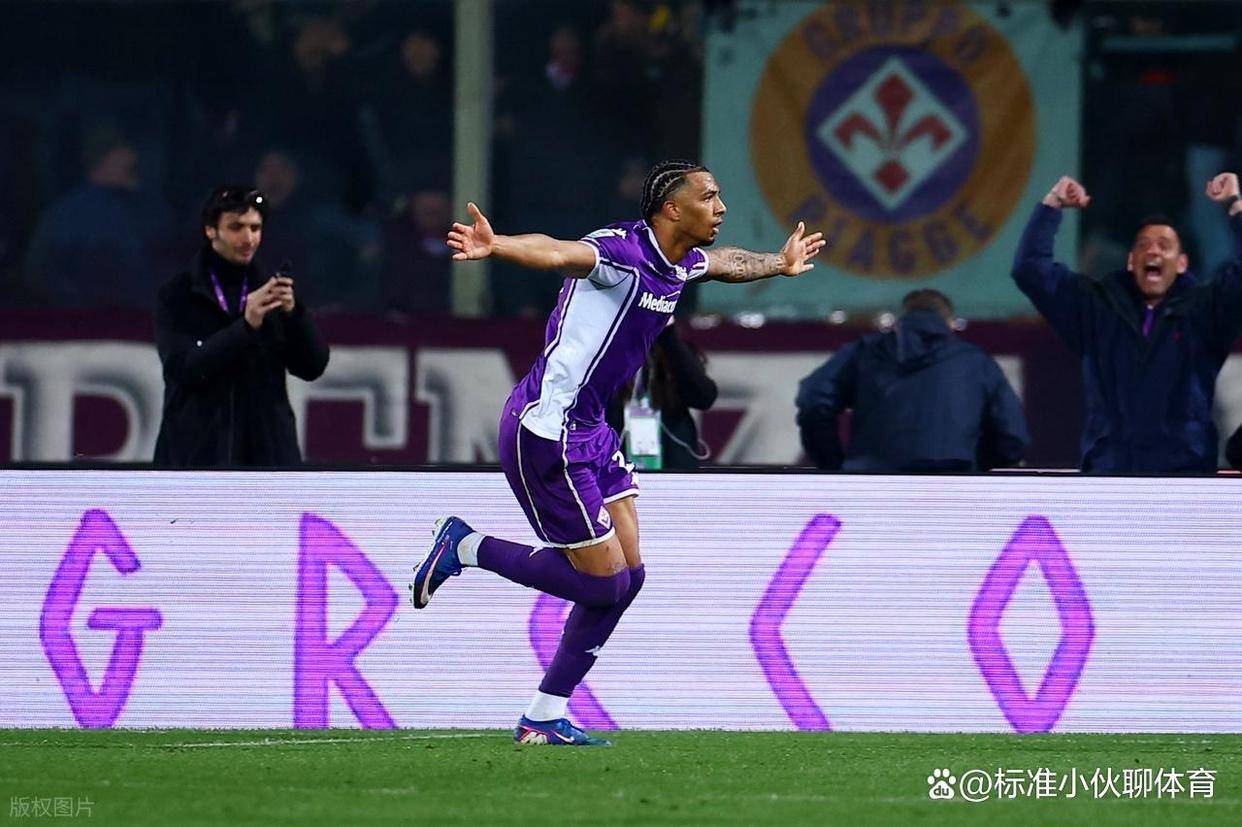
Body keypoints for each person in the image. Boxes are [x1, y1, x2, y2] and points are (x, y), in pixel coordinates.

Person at [410, 161, 824, 746]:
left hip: (592, 430)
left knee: (629, 578)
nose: (721, 207)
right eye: (709, 196)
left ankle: (543, 715)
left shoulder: (680, 261)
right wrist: (496, 245)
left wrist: (778, 263)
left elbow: (725, 262)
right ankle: (465, 545)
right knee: (603, 586)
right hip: (546, 432)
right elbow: (557, 252)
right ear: (672, 208)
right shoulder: (621, 254)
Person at [1012, 172, 1242, 472]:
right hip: (1110, 474)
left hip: (1184, 475)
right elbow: (1029, 269)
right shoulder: (1096, 308)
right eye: (1144, 245)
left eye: (1164, 245)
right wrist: (1052, 204)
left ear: (1182, 264)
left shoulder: (1206, 311)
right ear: (1131, 261)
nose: (1153, 250)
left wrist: (1236, 205)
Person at [153, 186, 330, 467]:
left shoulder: (270, 291)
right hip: (197, 457)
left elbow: (312, 367)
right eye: (236, 227)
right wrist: (245, 327)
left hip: (268, 458)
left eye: (255, 228)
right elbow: (183, 369)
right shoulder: (178, 294)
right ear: (211, 230)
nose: (248, 238)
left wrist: (294, 314)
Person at [796, 290, 1029, 472]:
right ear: (950, 323)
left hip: (871, 488)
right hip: (951, 492)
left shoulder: (864, 352)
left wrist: (833, 463)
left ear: (901, 320)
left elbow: (813, 398)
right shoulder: (976, 362)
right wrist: (973, 467)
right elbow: (1012, 438)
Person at [605, 319, 718, 469]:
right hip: (615, 470)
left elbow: (704, 397)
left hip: (673, 470)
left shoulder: (674, 350)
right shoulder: (604, 353)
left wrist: (668, 334)